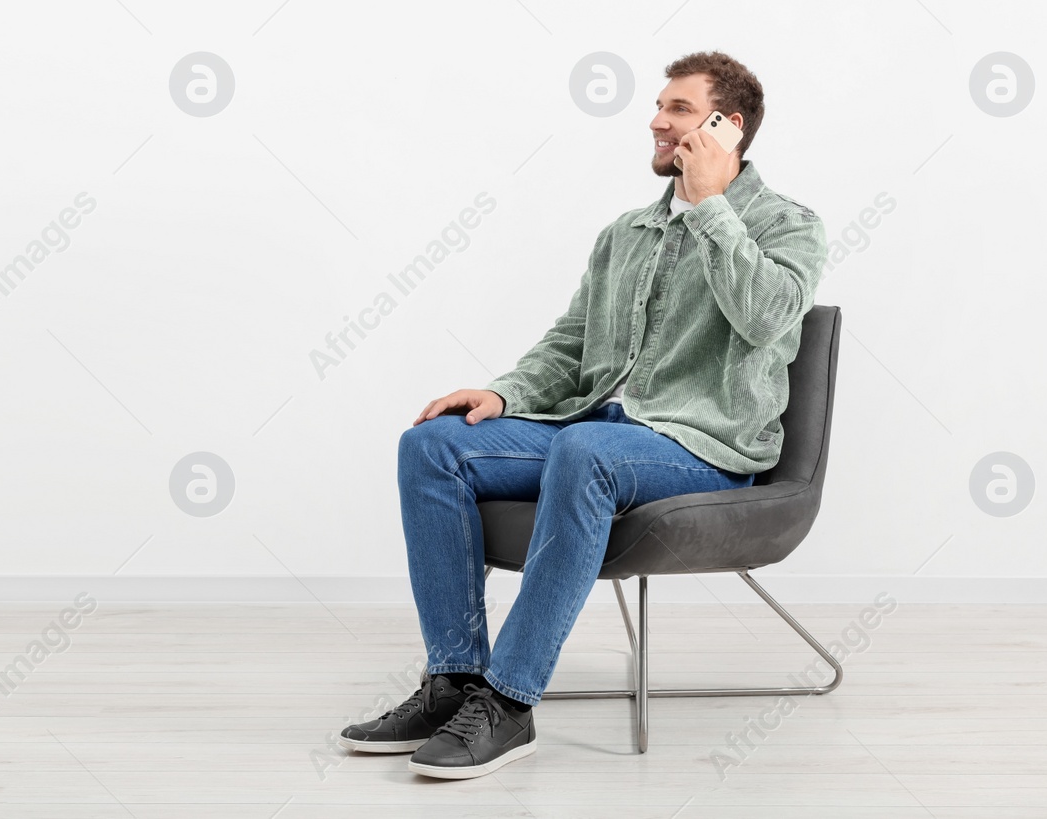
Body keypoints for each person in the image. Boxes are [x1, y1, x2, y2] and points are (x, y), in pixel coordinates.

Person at [337, 50, 829, 779]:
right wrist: (504, 393)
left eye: (681, 110)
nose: (659, 121)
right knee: (433, 444)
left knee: (586, 450)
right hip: (600, 434)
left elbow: (766, 318)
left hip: (705, 446)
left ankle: (510, 700)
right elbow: (572, 344)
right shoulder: (626, 233)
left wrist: (712, 208)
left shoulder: (789, 225)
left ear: (730, 127)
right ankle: (455, 681)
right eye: (660, 107)